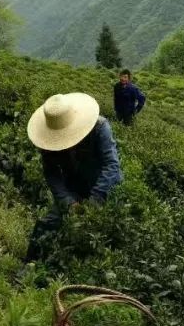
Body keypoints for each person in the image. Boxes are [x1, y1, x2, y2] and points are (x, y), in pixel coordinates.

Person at [24, 93, 123, 261]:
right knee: (46, 225)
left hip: (106, 188)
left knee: (107, 237)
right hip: (74, 188)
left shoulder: (99, 127)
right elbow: (52, 174)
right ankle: (29, 267)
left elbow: (111, 166)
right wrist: (69, 202)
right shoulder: (48, 141)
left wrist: (95, 200)